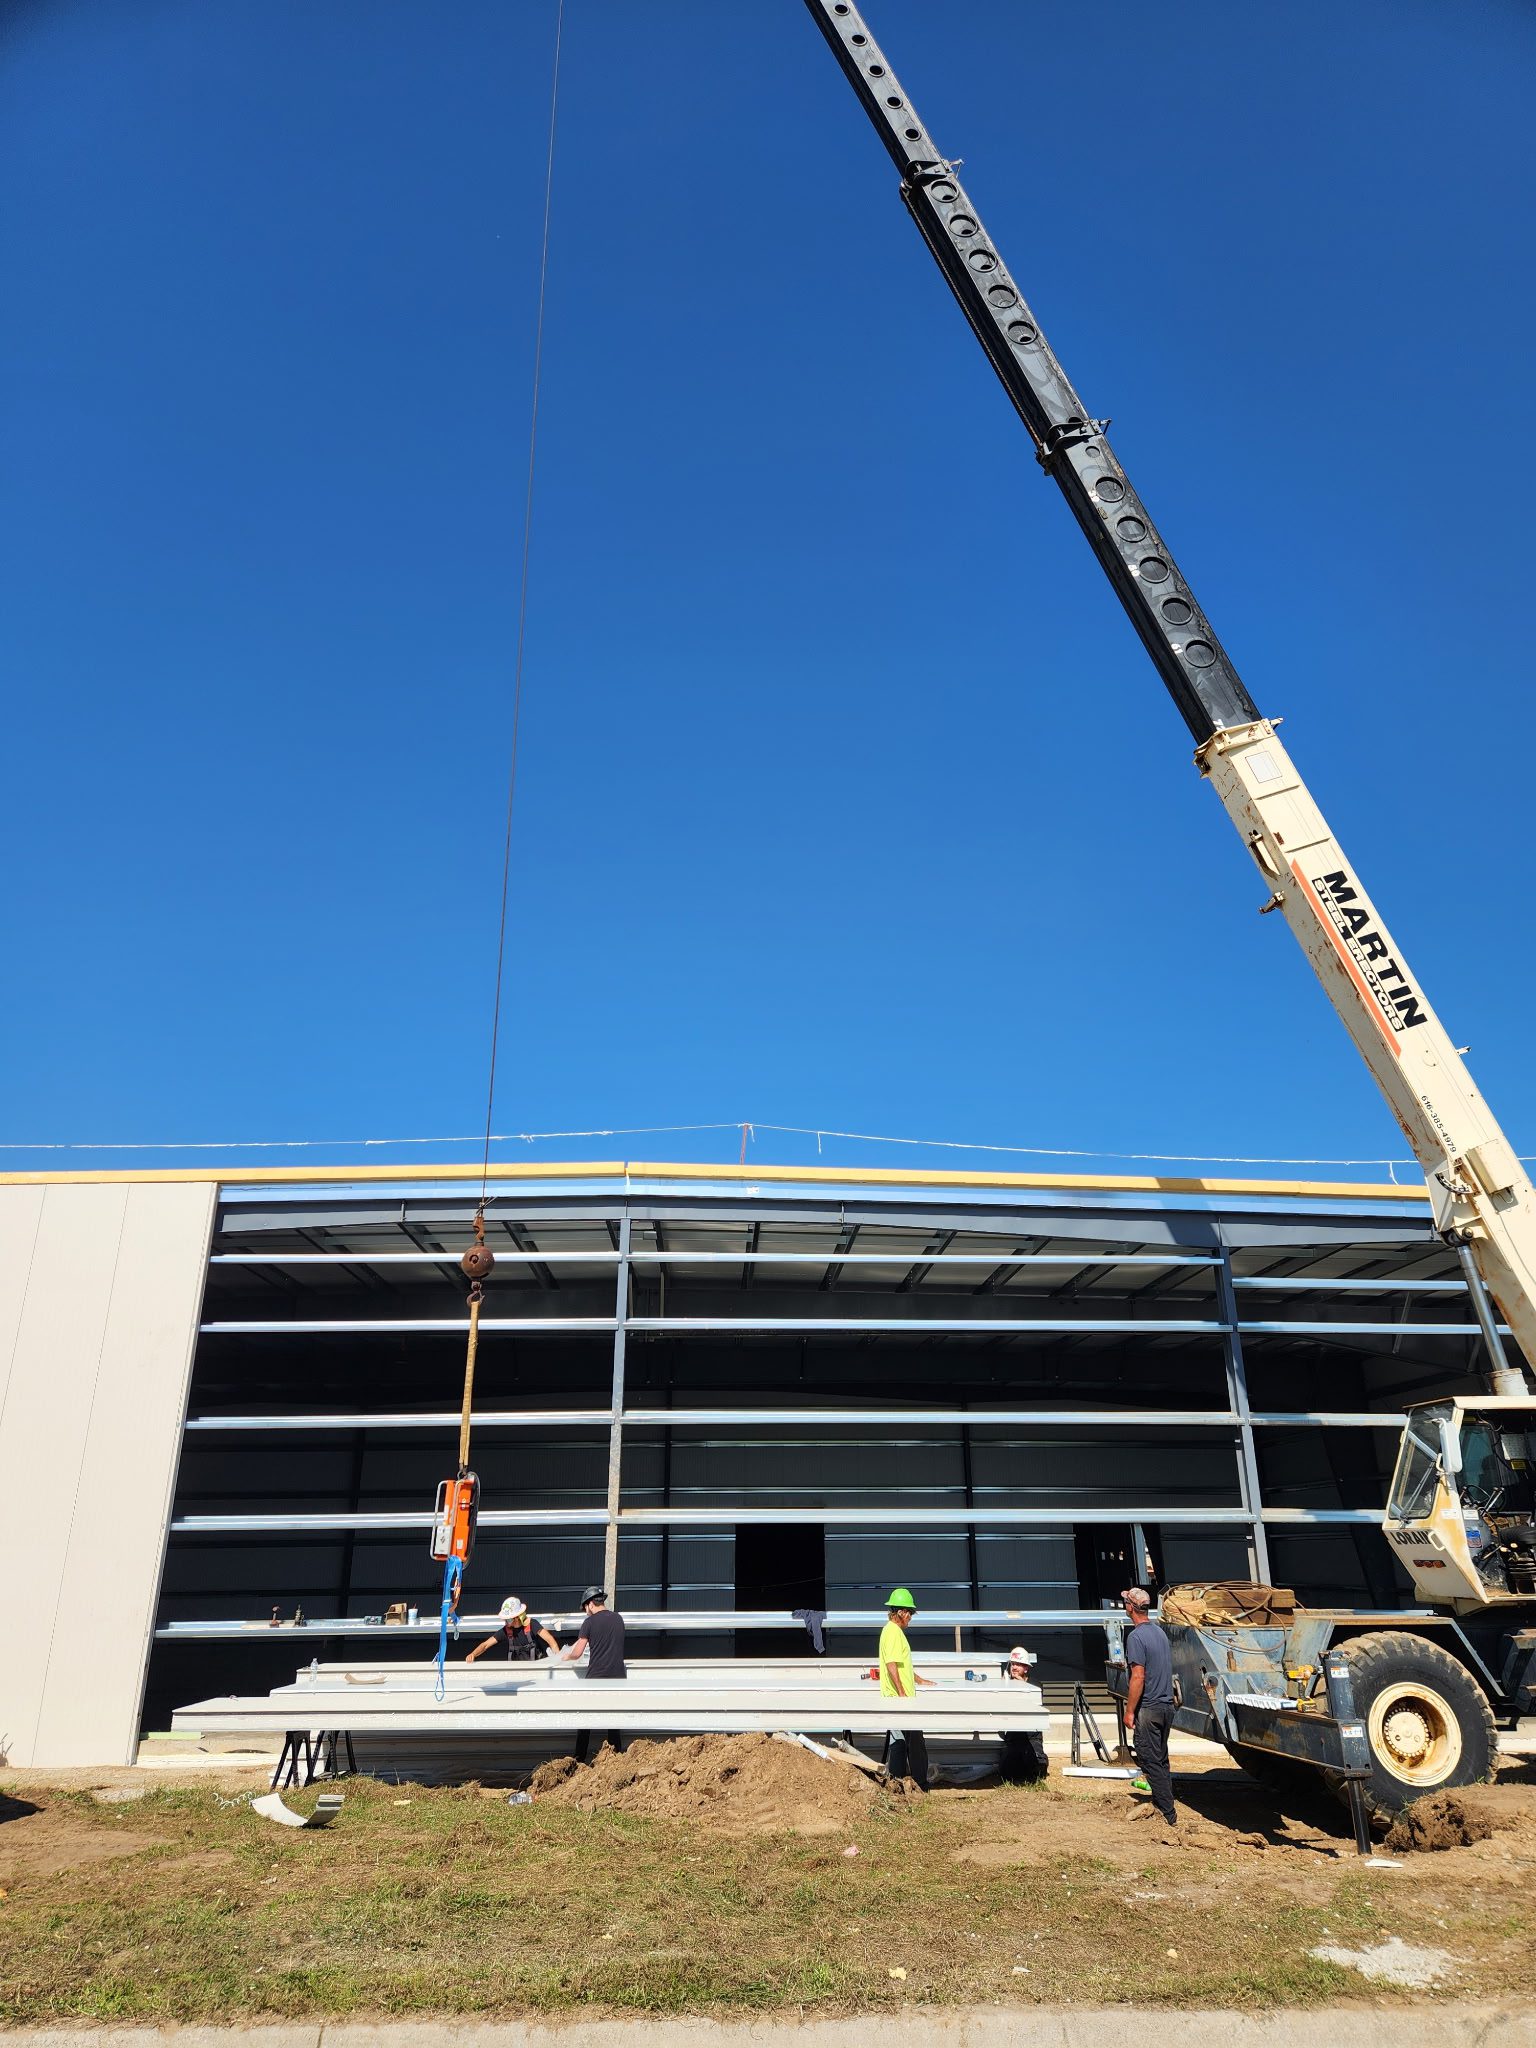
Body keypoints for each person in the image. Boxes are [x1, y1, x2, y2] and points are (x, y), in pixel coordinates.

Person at [1122, 1586, 1177, 1826]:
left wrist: (1130, 1711)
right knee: (1161, 1758)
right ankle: (1163, 1802)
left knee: (1149, 1758)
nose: (1124, 1605)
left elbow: (1138, 1677)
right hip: (1166, 1707)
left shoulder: (1136, 1637)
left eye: (1125, 1602)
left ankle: (1167, 1814)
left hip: (1150, 1708)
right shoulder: (1159, 1633)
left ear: (1131, 1608)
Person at [561, 1584, 626, 1763]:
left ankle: (579, 1759)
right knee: (613, 1719)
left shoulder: (589, 1622)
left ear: (590, 1604)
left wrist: (564, 1657)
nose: (586, 1612)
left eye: (585, 1609)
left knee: (586, 1717)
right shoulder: (618, 1618)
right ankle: (616, 1757)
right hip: (619, 1676)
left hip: (597, 1677)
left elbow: (578, 1652)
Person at [878, 1587, 934, 1790]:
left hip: (900, 1696)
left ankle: (899, 1783)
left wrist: (918, 1679)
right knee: (908, 1742)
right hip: (899, 1698)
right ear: (901, 1612)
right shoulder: (892, 1632)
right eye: (909, 1613)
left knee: (904, 1741)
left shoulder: (894, 1631)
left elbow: (902, 1665)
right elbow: (891, 1664)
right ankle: (915, 1784)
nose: (911, 1617)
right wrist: (902, 1693)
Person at [998, 1644, 1048, 1782]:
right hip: (1014, 1735)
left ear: (1026, 1668)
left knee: (1038, 1768)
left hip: (1032, 1735)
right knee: (1007, 1772)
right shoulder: (1005, 1685)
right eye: (1013, 1664)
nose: (1014, 1667)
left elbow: (1034, 1702)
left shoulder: (1035, 1685)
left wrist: (1021, 1685)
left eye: (1019, 1664)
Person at [465, 1595, 560, 1664]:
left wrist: (558, 1659)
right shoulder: (507, 1631)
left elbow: (550, 1640)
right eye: (505, 1619)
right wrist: (473, 1654)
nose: (506, 1622)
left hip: (536, 1669)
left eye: (509, 1619)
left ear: (517, 1617)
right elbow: (485, 1645)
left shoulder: (532, 1624)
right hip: (517, 1672)